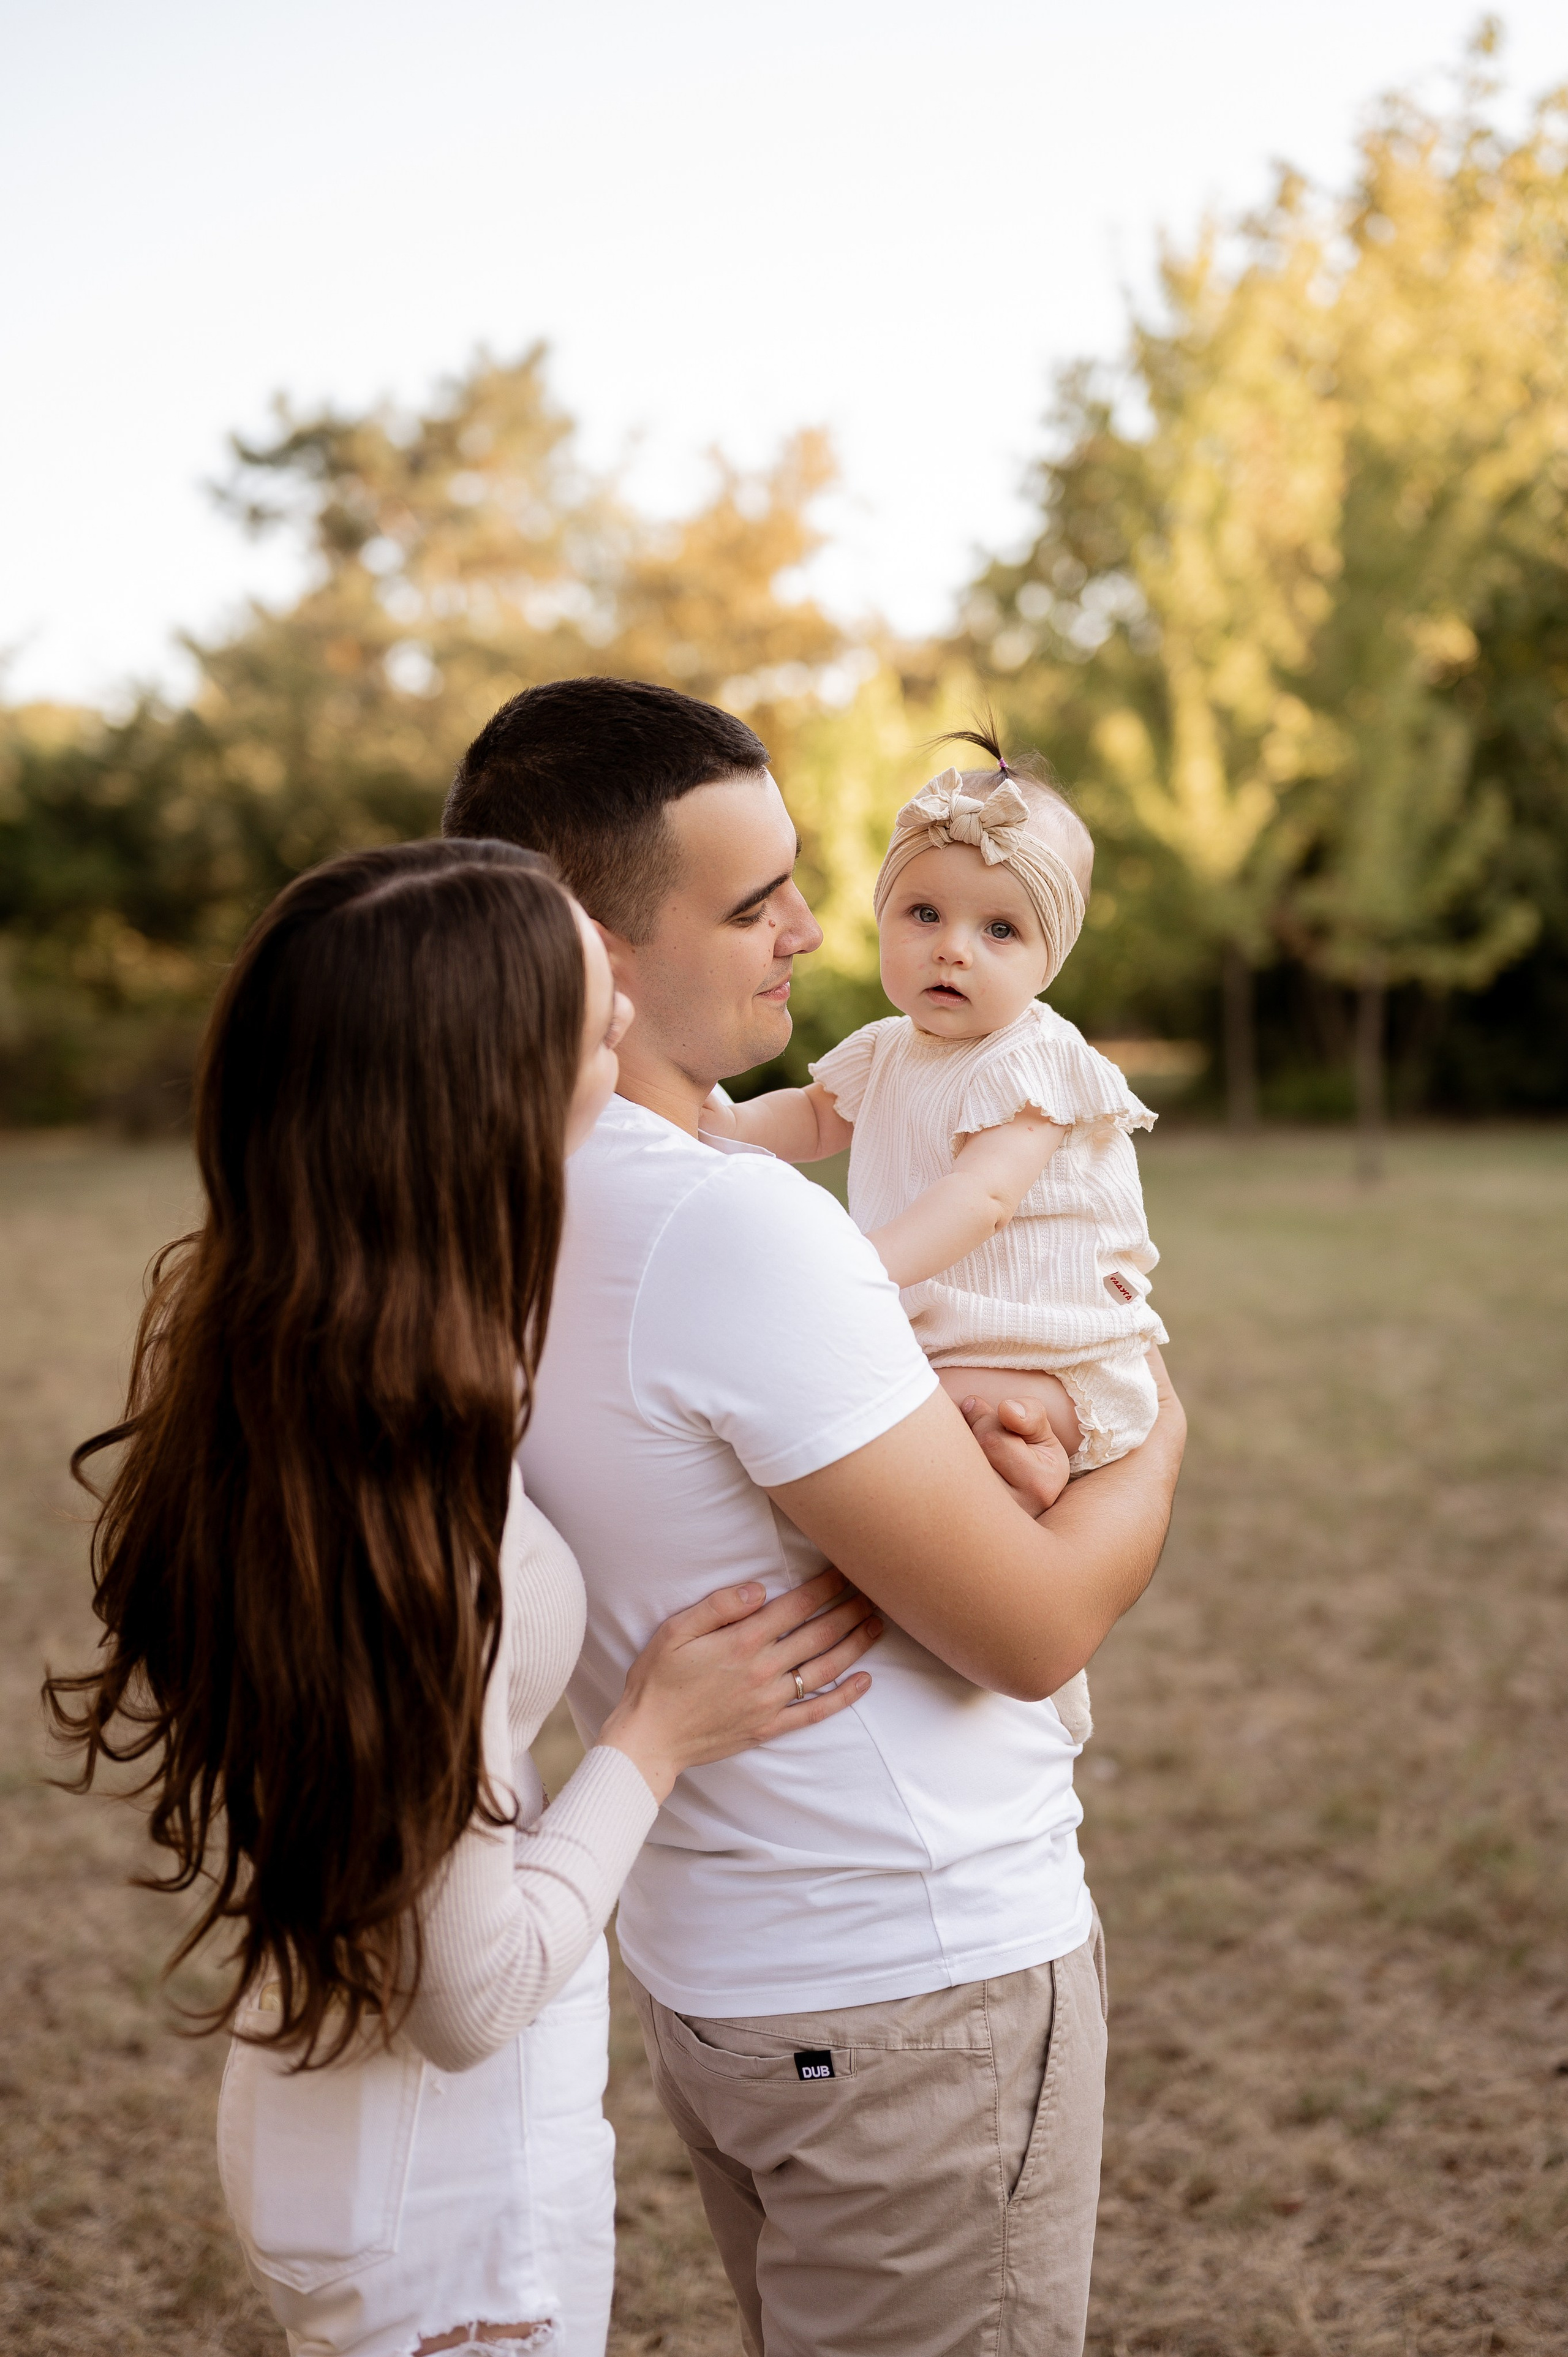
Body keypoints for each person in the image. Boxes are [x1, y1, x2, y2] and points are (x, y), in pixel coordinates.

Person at [42, 839, 883, 2357]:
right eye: (589, 1024)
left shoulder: (314, 1348)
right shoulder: (391, 1493)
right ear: (482, 1099)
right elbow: (468, 1988)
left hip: (347, 2130)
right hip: (445, 2209)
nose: (623, 1035)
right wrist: (654, 1739)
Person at [443, 679, 1187, 2357]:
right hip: (912, 1978)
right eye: (749, 899)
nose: (805, 929)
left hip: (720, 1973)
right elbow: (1033, 1628)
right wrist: (1158, 1422)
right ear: (594, 950)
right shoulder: (737, 1230)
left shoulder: (493, 1192)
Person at [704, 725, 1169, 1746]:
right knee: (925, 1434)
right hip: (946, 1332)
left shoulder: (1035, 1064)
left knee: (976, 1419)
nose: (953, 947)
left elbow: (981, 1201)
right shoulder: (887, 1050)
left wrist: (858, 1273)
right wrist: (732, 1126)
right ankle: (998, 1524)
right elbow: (818, 1117)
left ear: (1052, 959)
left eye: (1000, 931)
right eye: (924, 914)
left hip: (1054, 1346)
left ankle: (1032, 1491)